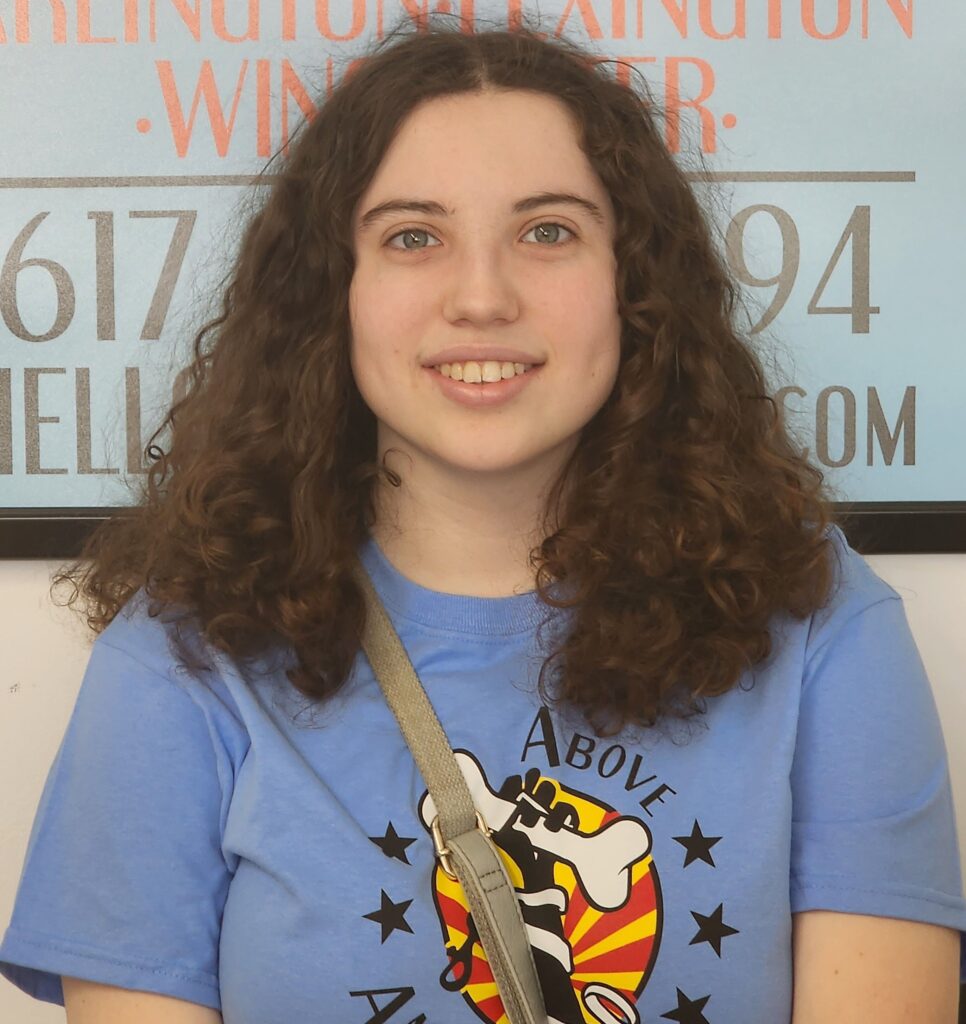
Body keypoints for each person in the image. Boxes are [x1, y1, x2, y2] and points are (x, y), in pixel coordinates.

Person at [2, 12, 964, 1024]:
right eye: (413, 236)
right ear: (335, 291)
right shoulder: (184, 655)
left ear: (635, 284)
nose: (482, 295)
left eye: (547, 231)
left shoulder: (818, 620)